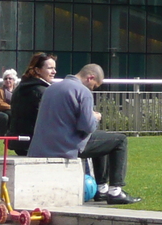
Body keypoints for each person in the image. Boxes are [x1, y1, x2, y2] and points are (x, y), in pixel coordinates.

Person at [29, 62, 142, 205]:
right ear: (90, 77)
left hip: (42, 145)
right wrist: (95, 117)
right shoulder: (83, 92)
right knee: (119, 140)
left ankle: (102, 189)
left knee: (103, 139)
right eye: (94, 86)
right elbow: (87, 127)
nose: (93, 89)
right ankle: (115, 191)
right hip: (66, 147)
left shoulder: (52, 88)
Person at [6, 52, 55, 155]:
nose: (54, 71)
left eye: (54, 68)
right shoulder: (42, 91)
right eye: (50, 68)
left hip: (19, 143)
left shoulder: (20, 87)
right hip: (34, 143)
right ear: (37, 70)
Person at [0, 68, 17, 136]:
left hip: (12, 110)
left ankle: (12, 133)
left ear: (14, 80)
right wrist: (11, 107)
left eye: (10, 78)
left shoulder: (17, 91)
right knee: (5, 116)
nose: (7, 80)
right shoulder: (0, 90)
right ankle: (0, 134)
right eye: (5, 78)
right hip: (1, 110)